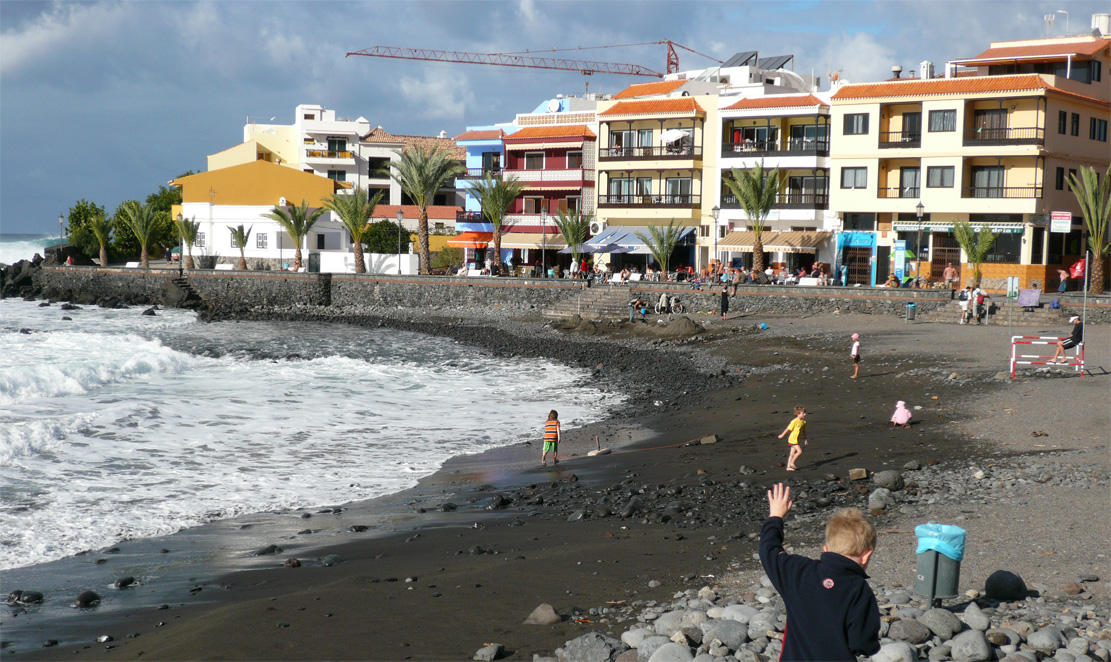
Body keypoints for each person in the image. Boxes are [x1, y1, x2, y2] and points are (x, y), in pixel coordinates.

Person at [759, 483, 881, 661]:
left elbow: (768, 549)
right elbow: (862, 644)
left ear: (825, 549)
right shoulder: (859, 590)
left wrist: (776, 516)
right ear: (866, 556)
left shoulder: (799, 571)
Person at [777, 406, 808, 471]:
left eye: (805, 413)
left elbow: (804, 431)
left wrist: (805, 439)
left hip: (797, 440)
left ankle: (788, 467)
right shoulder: (794, 421)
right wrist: (782, 435)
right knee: (799, 451)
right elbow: (788, 429)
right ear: (798, 414)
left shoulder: (804, 422)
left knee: (792, 454)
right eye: (803, 413)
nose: (805, 414)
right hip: (792, 439)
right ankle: (792, 463)